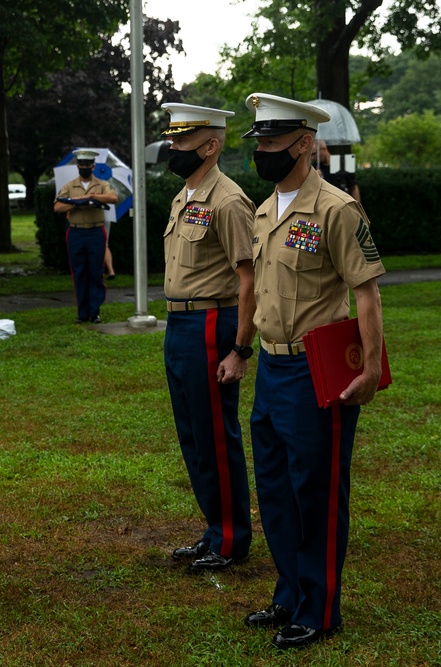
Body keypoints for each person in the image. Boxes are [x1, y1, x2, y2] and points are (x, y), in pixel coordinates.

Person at [242, 92, 385, 650]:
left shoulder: (336, 209)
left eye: (274, 142)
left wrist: (370, 368)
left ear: (304, 143)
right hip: (271, 371)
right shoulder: (261, 212)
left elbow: (367, 294)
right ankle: (289, 592)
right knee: (275, 488)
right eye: (260, 143)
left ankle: (320, 608)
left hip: (315, 370)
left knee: (317, 491)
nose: (264, 153)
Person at [158, 103, 257, 573]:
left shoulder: (229, 200)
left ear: (211, 145)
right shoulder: (185, 195)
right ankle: (215, 528)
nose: (173, 149)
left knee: (217, 435)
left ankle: (232, 539)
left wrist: (240, 348)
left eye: (181, 142)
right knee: (193, 435)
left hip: (212, 324)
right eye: (173, 140)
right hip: (179, 324)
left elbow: (249, 279)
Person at [53, 149, 118, 323]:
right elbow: (57, 207)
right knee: (79, 272)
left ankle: (94, 312)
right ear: (78, 166)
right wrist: (77, 204)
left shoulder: (101, 184)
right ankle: (82, 313)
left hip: (96, 231)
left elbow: (113, 197)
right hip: (76, 232)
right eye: (81, 164)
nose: (84, 167)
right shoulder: (69, 186)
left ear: (93, 166)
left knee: (96, 272)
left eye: (88, 164)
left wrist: (93, 197)